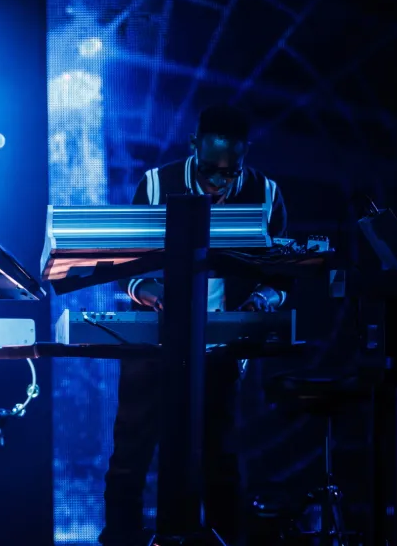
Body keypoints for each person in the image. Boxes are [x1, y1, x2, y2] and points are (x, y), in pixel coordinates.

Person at [100, 104, 289, 546]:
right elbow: (128, 263)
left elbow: (283, 272)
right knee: (131, 451)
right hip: (153, 341)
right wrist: (146, 289)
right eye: (209, 172)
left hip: (220, 345)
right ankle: (121, 539)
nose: (219, 184)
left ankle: (225, 537)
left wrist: (264, 298)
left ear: (244, 158)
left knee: (219, 456)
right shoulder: (156, 184)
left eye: (230, 173)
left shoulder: (266, 192)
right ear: (192, 149)